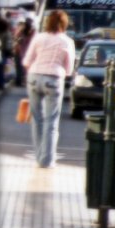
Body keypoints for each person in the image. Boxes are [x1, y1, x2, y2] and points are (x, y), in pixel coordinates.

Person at [22, 10, 75, 169]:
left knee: (37, 119)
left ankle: (39, 156)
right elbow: (69, 69)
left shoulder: (39, 37)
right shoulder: (66, 41)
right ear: (65, 23)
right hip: (53, 79)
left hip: (34, 77)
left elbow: (26, 61)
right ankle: (47, 161)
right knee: (51, 121)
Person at [13, 18, 36, 86]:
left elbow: (16, 39)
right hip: (29, 52)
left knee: (19, 67)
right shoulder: (33, 32)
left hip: (19, 51)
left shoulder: (21, 31)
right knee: (27, 68)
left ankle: (19, 81)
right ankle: (27, 81)